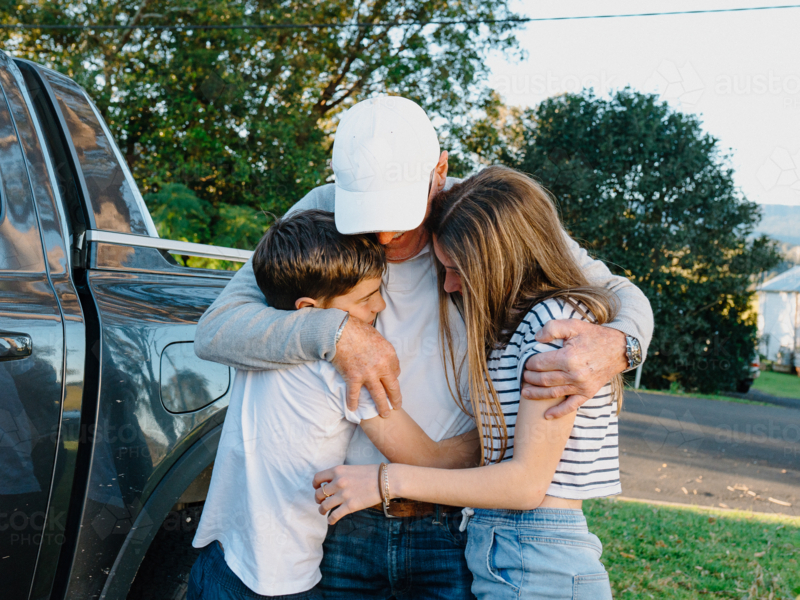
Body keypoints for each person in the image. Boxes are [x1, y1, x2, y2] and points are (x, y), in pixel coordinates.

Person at [195, 96, 652, 598]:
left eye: (399, 215)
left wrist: (622, 345)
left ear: (440, 172)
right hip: (348, 517)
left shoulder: (484, 216)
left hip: (452, 523)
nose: (383, 234)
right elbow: (217, 329)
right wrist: (336, 332)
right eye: (366, 217)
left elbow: (612, 291)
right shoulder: (324, 208)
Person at [314, 166, 623, 599]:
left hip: (539, 559)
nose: (449, 284)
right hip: (513, 553)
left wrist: (386, 480)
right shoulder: (522, 327)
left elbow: (525, 484)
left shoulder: (552, 328)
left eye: (457, 269)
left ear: (502, 259)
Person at [189, 210, 480, 600]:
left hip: (221, 557)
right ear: (309, 308)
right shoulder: (343, 368)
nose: (380, 305)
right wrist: (498, 435)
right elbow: (428, 460)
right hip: (279, 580)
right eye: (366, 298)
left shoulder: (263, 344)